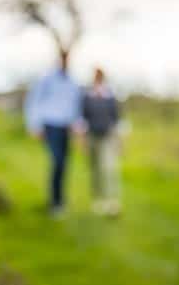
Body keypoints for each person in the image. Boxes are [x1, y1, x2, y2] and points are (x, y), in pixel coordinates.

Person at [24, 50, 83, 215]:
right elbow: (33, 102)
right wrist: (35, 126)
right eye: (63, 59)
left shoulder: (73, 82)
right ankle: (55, 203)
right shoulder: (47, 80)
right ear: (59, 60)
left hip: (66, 127)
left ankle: (60, 199)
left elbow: (76, 107)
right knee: (57, 161)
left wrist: (78, 127)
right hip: (51, 126)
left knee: (64, 164)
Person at [81, 68, 122, 216]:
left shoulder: (110, 97)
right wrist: (82, 139)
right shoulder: (87, 96)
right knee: (94, 169)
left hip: (107, 137)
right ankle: (97, 200)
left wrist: (119, 141)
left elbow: (117, 120)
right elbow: (83, 119)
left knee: (108, 168)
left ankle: (111, 201)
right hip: (92, 136)